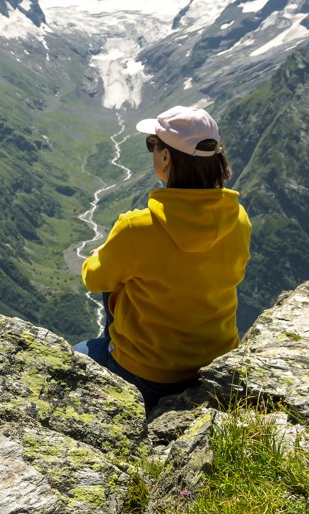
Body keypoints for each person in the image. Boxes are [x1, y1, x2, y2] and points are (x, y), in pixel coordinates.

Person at [73, 105, 250, 410]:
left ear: (166, 157)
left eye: (153, 145)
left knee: (77, 354)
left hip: (147, 373)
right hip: (213, 363)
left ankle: (119, 356)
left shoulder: (138, 227)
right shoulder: (239, 219)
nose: (153, 152)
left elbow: (94, 278)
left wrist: (100, 254)